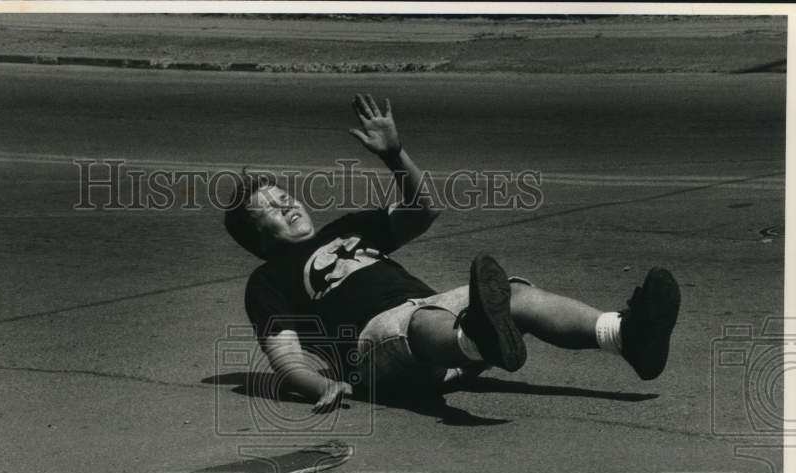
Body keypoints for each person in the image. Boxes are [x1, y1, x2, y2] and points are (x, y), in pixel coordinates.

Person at [224, 93, 680, 411]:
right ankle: (480, 338)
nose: (283, 202)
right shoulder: (266, 280)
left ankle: (626, 336)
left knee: (512, 293)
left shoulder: (345, 229)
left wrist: (394, 155)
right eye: (267, 207)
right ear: (258, 239)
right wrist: (321, 385)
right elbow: (282, 353)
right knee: (420, 321)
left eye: (283, 194)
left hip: (437, 328)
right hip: (376, 349)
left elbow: (424, 208)